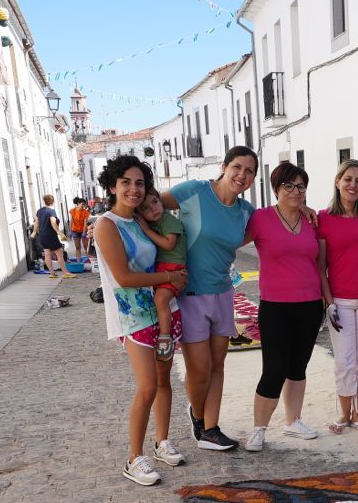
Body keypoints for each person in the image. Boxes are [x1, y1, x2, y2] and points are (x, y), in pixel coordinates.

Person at [92, 155, 188, 485]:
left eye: (140, 183)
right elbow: (123, 276)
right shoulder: (106, 225)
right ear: (112, 186)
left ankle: (162, 442)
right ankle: (134, 457)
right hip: (133, 318)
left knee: (164, 381)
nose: (134, 189)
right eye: (126, 182)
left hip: (162, 314)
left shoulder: (140, 221)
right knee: (147, 386)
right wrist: (169, 279)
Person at [159, 146, 258, 452]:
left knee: (218, 364)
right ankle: (198, 415)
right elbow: (149, 206)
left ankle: (210, 429)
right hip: (190, 294)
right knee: (199, 368)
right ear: (225, 166)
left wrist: (305, 210)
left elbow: (271, 224)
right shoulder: (195, 191)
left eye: (249, 171)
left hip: (223, 293)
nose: (242, 175)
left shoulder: (246, 212)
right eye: (237, 167)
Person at [240, 161, 323, 452]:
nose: (295, 191)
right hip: (274, 306)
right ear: (276, 189)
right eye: (289, 185)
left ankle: (293, 421)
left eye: (301, 186)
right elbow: (231, 243)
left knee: (298, 367)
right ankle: (259, 429)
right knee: (274, 369)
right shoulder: (261, 219)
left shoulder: (313, 220)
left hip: (311, 305)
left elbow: (322, 260)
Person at [318, 158, 358, 434]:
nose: (353, 185)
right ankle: (343, 414)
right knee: (345, 359)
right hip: (340, 300)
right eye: (348, 179)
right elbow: (321, 267)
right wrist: (329, 303)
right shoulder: (322, 218)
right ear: (337, 181)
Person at [139, 190, 187, 362]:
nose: (153, 209)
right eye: (145, 208)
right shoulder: (154, 223)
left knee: (161, 300)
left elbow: (169, 244)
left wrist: (145, 229)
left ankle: (165, 337)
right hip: (160, 269)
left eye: (155, 202)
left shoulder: (169, 220)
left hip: (174, 268)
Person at [35, 194, 71, 277]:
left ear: (44, 201)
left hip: (42, 235)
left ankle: (52, 273)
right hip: (51, 235)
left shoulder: (39, 211)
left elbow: (36, 222)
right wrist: (60, 233)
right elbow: (53, 223)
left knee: (47, 253)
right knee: (59, 253)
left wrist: (34, 232)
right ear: (53, 201)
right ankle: (66, 272)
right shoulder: (51, 211)